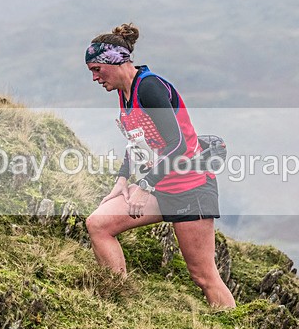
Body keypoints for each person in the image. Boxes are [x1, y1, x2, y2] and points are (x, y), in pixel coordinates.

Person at [83, 23, 235, 309]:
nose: (94, 78)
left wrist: (145, 185)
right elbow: (138, 142)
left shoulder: (149, 88)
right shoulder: (124, 92)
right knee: (98, 224)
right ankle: (119, 302)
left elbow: (177, 145)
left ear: (114, 62)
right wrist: (122, 179)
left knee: (203, 276)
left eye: (96, 69)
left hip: (191, 188)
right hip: (160, 187)